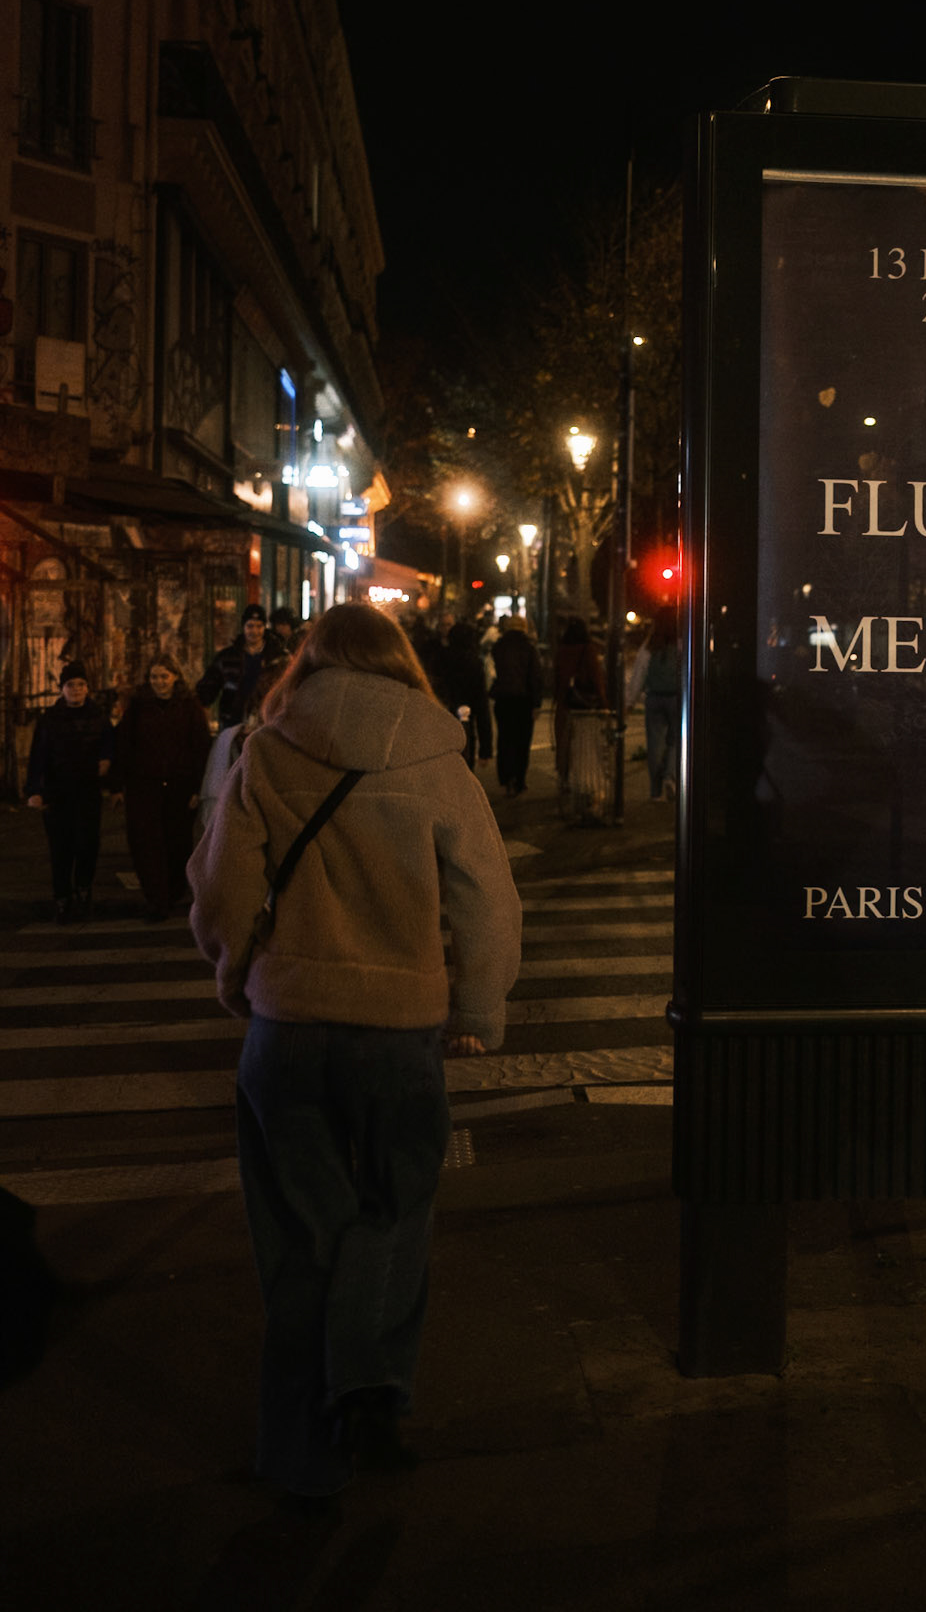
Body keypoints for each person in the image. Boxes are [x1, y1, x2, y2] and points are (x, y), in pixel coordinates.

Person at [187, 601, 522, 1503]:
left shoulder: (268, 749)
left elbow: (221, 886)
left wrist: (235, 977)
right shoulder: (434, 754)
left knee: (299, 1237)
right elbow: (486, 897)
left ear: (308, 659)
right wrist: (477, 1007)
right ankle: (368, 1384)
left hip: (288, 1025)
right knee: (395, 1204)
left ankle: (297, 1462)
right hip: (398, 1027)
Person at [112, 655, 212, 921]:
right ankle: (156, 899)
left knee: (177, 842)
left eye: (164, 676)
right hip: (144, 785)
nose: (159, 682)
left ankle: (174, 891)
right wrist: (117, 785)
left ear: (175, 677)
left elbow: (200, 748)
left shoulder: (189, 707)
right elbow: (125, 745)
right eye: (154, 677)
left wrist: (196, 788)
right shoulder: (139, 708)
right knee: (147, 844)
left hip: (179, 786)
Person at [24, 660, 114, 923]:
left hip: (87, 791)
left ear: (88, 688)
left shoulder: (98, 717)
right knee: (60, 848)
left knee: (87, 844)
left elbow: (109, 746)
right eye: (70, 685)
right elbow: (37, 757)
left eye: (81, 684)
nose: (76, 689)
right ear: (62, 688)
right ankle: (62, 898)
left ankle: (83, 891)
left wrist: (107, 764)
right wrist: (34, 790)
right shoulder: (50, 720)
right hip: (58, 792)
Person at [197, 602, 290, 727]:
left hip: (267, 722)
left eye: (259, 626)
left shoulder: (278, 657)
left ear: (265, 627)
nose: (254, 631)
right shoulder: (228, 657)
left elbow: (289, 686)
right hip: (233, 722)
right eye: (250, 626)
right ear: (243, 627)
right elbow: (208, 687)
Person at [553, 616, 607, 812]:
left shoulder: (561, 650)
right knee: (585, 748)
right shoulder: (587, 650)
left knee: (565, 745)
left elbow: (556, 678)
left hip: (564, 705)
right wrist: (603, 703)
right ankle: (584, 785)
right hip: (584, 707)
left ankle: (565, 780)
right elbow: (597, 679)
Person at [626, 606, 681, 802]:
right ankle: (670, 777)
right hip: (676, 698)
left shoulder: (650, 645)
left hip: (654, 698)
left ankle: (656, 791)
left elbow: (638, 674)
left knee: (654, 745)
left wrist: (630, 701)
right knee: (676, 741)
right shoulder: (681, 644)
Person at [490, 614, 542, 796]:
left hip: (503, 699)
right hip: (523, 700)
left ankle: (506, 778)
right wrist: (536, 703)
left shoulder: (498, 647)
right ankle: (519, 779)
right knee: (522, 740)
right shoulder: (529, 648)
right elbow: (535, 677)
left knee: (505, 738)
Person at [435, 619, 493, 773]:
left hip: (442, 719)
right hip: (465, 724)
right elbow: (482, 707)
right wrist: (485, 750)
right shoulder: (474, 663)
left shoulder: (441, 659)